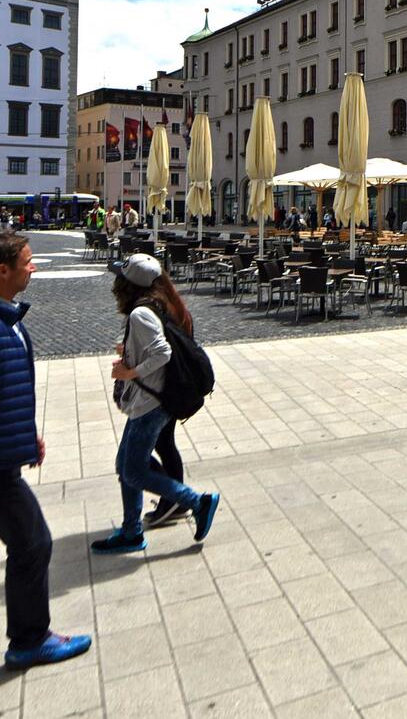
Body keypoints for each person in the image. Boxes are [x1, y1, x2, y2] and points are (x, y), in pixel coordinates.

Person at [0, 236, 92, 671]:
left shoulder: (10, 319)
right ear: (4, 270)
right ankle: (30, 639)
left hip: (7, 458)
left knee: (30, 544)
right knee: (34, 544)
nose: (33, 269)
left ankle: (28, 636)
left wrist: (25, 437)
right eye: (27, 262)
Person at [90, 254, 220, 554]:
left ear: (128, 283)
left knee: (132, 470)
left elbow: (162, 352)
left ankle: (195, 501)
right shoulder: (161, 303)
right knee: (126, 466)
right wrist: (131, 350)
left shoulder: (140, 313)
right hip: (157, 398)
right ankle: (132, 530)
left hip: (150, 402)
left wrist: (129, 371)